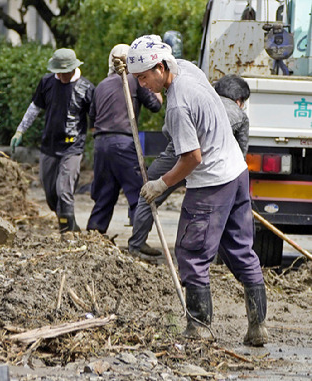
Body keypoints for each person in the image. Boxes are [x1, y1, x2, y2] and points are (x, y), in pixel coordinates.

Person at [125, 35, 268, 346]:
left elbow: (191, 158)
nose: (142, 85)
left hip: (211, 182)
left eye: (145, 77)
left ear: (161, 68)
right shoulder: (189, 69)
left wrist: (161, 184)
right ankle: (258, 328)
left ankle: (199, 327)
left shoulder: (177, 104)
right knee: (241, 250)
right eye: (137, 79)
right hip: (236, 171)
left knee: (191, 253)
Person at [128, 74, 251, 257]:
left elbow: (167, 130)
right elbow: (239, 155)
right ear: (240, 100)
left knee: (148, 194)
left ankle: (136, 246)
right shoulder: (239, 114)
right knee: (217, 210)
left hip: (176, 153)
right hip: (212, 165)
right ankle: (215, 255)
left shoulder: (202, 100)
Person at [10, 48, 95, 233]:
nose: (62, 76)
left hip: (72, 148)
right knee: (50, 194)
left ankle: (68, 235)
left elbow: (95, 119)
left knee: (64, 191)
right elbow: (34, 108)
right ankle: (70, 224)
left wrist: (99, 142)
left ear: (73, 68)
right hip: (49, 146)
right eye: (59, 72)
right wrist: (20, 131)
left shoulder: (86, 88)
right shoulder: (47, 82)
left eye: (66, 72)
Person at [86, 44, 162, 237]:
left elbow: (92, 121)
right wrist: (159, 89)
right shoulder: (133, 81)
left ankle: (93, 238)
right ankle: (138, 242)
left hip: (101, 144)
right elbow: (155, 106)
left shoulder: (101, 85)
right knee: (139, 194)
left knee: (104, 195)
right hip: (124, 143)